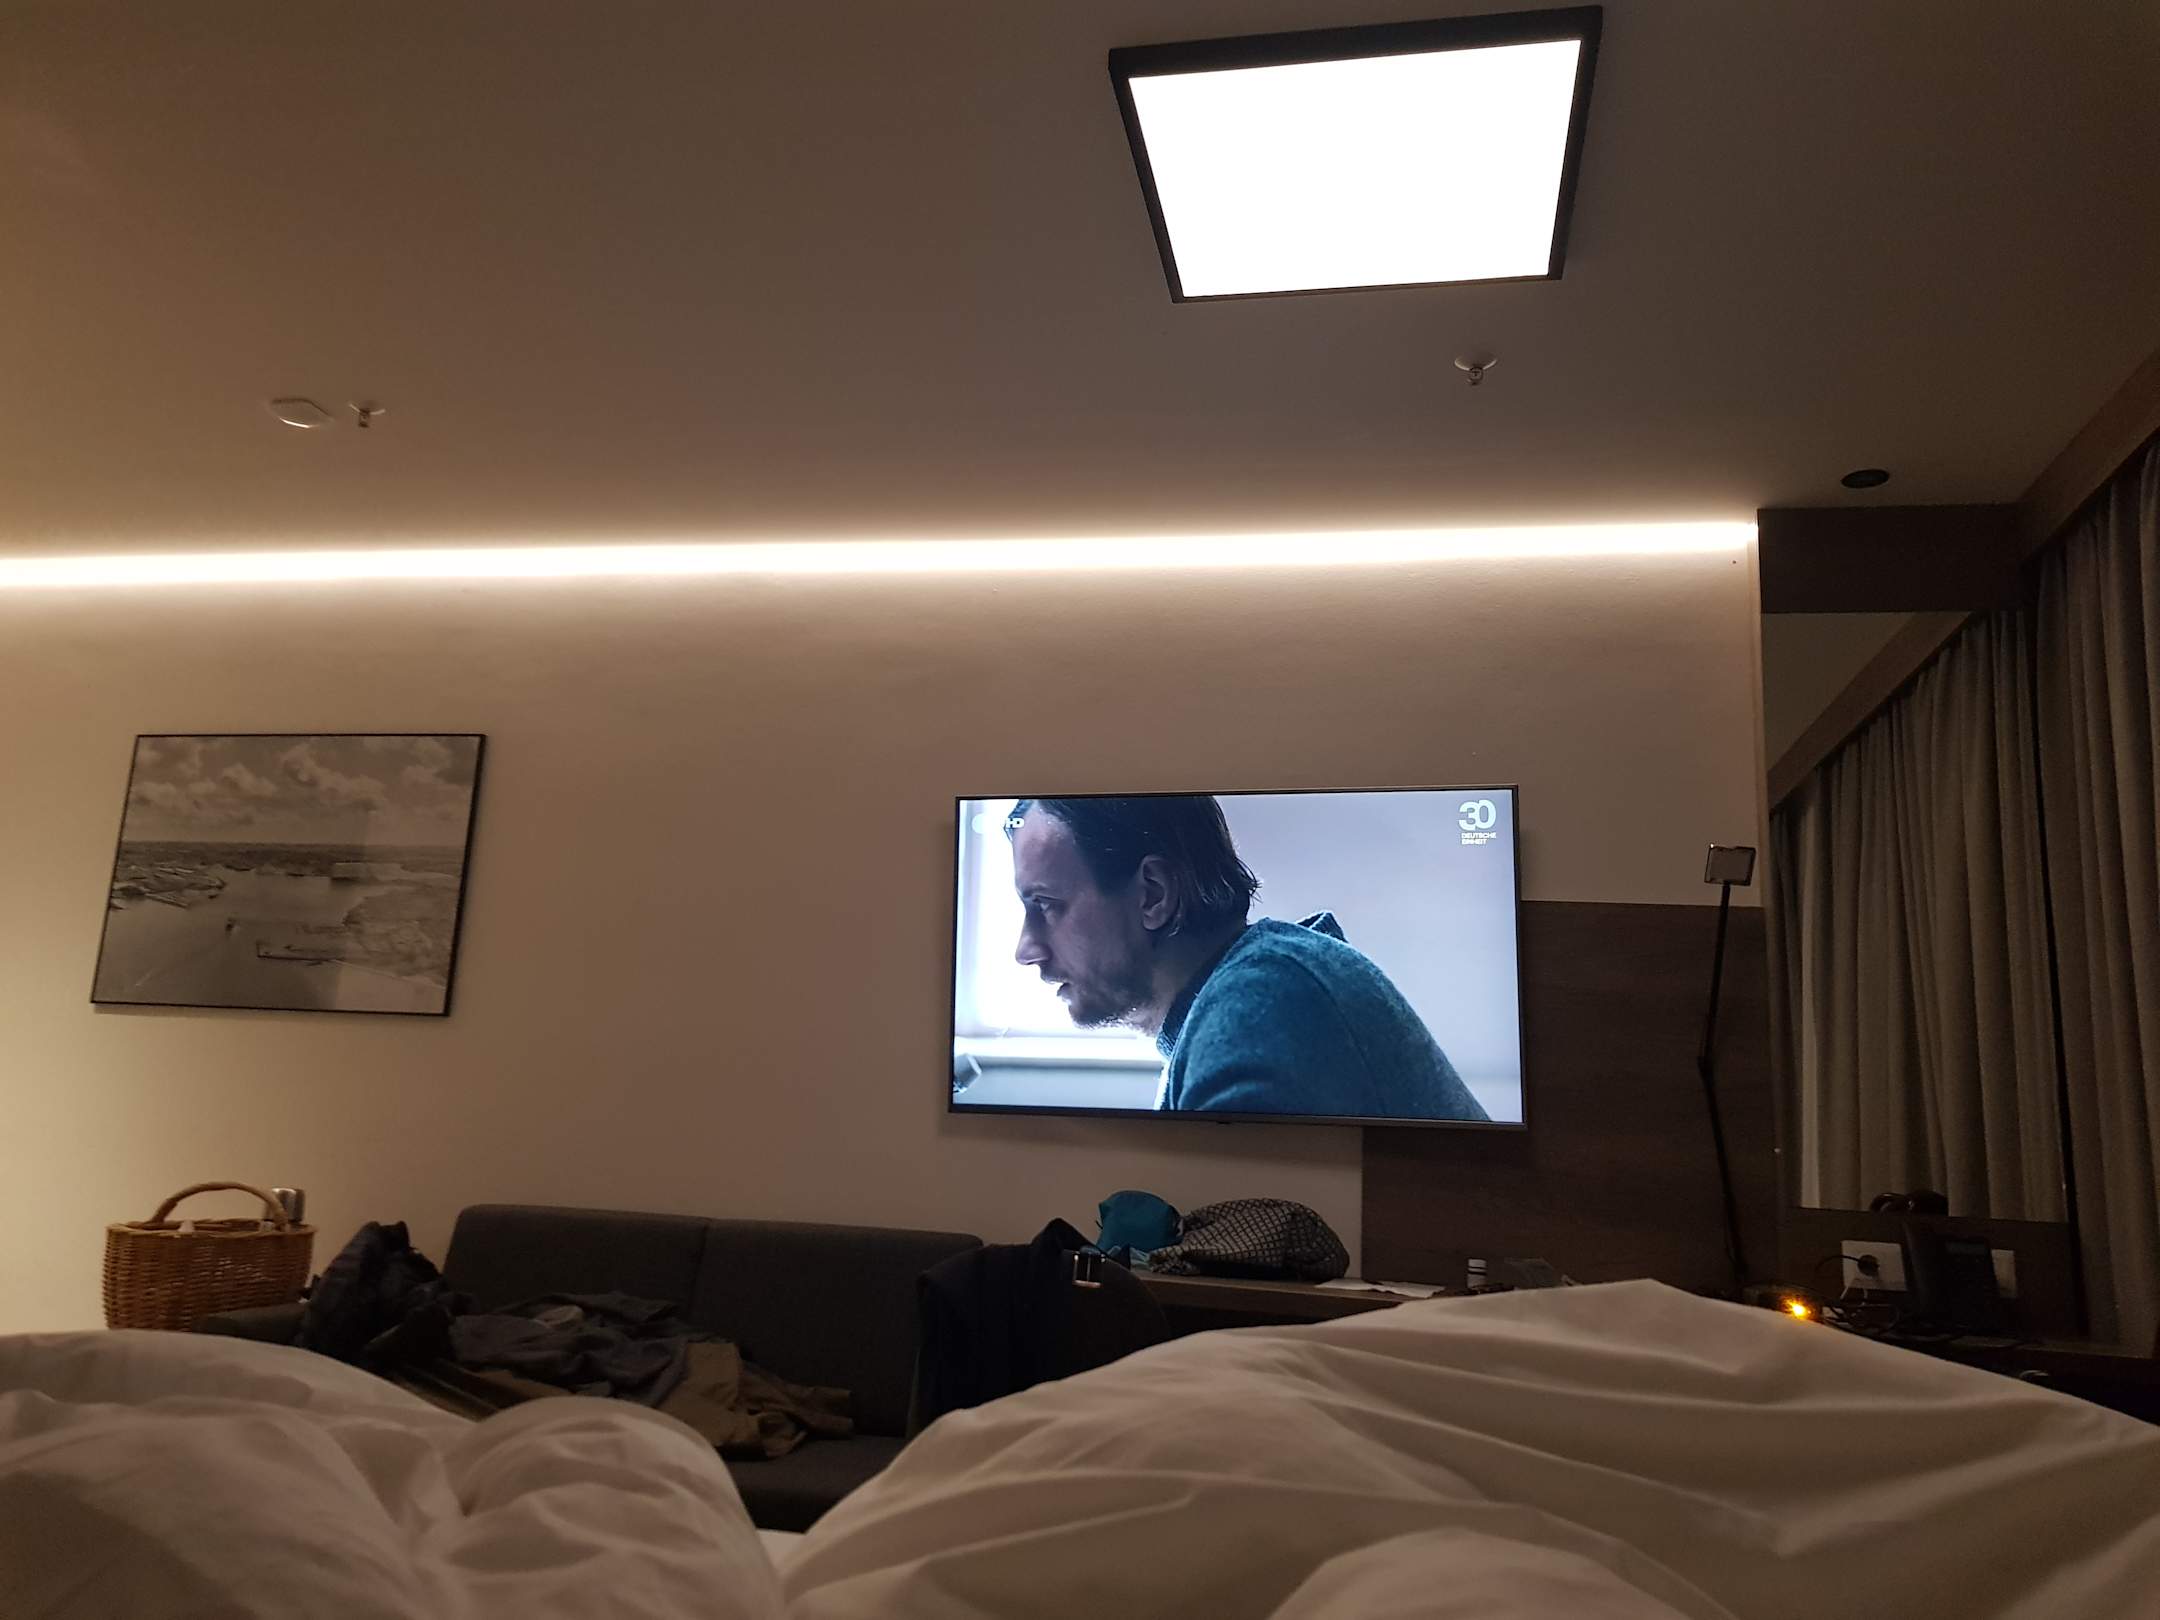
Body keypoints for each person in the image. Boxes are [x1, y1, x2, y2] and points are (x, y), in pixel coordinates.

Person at [1006, 796, 1487, 1121]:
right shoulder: (1251, 993)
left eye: (1045, 904)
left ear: (1153, 894)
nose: (1026, 950)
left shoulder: (1262, 1004)